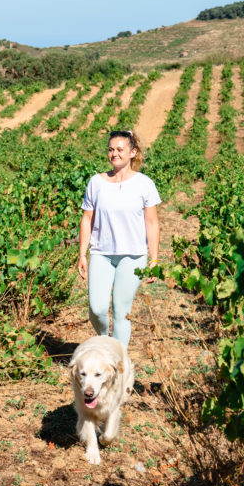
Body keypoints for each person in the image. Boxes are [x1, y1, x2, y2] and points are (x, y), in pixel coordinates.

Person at [77, 130, 161, 346]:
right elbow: (87, 219)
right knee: (96, 309)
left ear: (132, 152)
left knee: (121, 311)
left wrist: (154, 259)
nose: (114, 154)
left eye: (120, 150)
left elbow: (152, 223)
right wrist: (82, 254)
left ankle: (118, 363)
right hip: (101, 254)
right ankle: (105, 342)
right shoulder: (96, 182)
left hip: (132, 257)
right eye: (111, 149)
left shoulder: (144, 184)